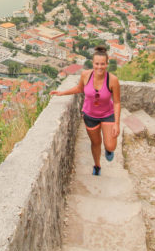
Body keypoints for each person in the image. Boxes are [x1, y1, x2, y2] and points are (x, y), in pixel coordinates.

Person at [50, 45, 121, 175]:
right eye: (97, 64)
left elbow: (116, 102)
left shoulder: (112, 80)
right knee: (96, 143)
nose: (99, 67)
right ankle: (97, 165)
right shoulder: (85, 75)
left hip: (107, 114)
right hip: (90, 115)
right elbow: (79, 89)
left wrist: (116, 123)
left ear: (107, 64)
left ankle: (108, 150)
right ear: (92, 63)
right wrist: (62, 93)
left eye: (102, 64)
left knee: (110, 145)